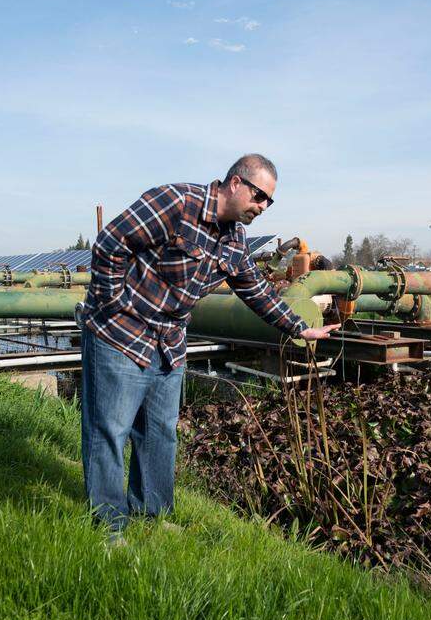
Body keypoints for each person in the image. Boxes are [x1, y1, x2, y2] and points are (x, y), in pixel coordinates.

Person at [79, 154, 338, 535]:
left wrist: (298, 326)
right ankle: (108, 525)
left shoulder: (234, 238)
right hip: (121, 334)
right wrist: (114, 305)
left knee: (159, 432)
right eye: (259, 196)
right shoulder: (175, 202)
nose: (263, 207)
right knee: (110, 430)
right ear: (235, 183)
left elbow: (256, 290)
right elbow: (109, 245)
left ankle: (152, 517)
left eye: (269, 201)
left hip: (169, 342)